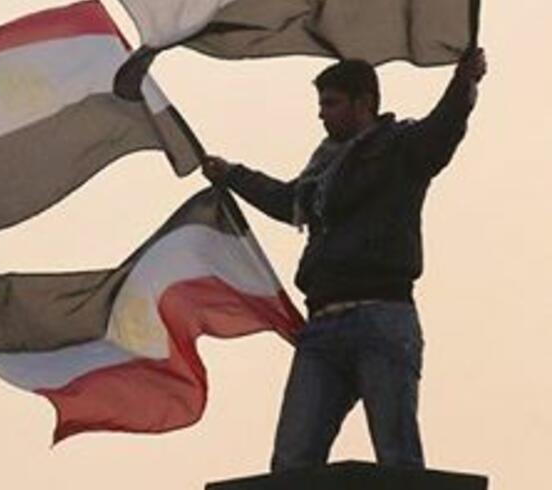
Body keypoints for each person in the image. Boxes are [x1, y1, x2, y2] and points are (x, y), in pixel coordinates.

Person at [202, 49, 487, 471]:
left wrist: (464, 84)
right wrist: (232, 175)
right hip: (322, 327)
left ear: (363, 103)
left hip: (381, 318)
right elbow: (287, 201)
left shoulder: (400, 148)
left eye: (331, 103)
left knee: (397, 458)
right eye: (321, 105)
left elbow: (443, 130)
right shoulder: (322, 172)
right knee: (292, 461)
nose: (322, 115)